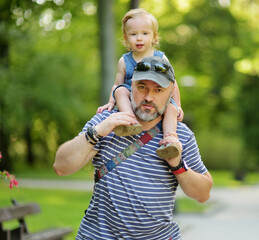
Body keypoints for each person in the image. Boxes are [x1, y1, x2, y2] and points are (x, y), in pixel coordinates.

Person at [53, 56, 213, 240]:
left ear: (170, 95)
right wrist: (98, 131)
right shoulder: (106, 122)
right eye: (142, 87)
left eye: (158, 90)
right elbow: (61, 166)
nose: (148, 97)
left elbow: (203, 194)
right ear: (131, 87)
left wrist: (178, 166)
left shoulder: (180, 135)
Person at [96, 8, 183, 159]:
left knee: (170, 108)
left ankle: (171, 139)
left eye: (144, 33)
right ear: (126, 37)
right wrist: (111, 102)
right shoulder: (124, 60)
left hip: (155, 99)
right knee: (121, 91)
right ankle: (129, 121)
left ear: (154, 36)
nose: (139, 38)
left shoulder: (161, 58)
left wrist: (178, 105)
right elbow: (117, 84)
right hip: (132, 99)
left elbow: (172, 84)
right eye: (133, 34)